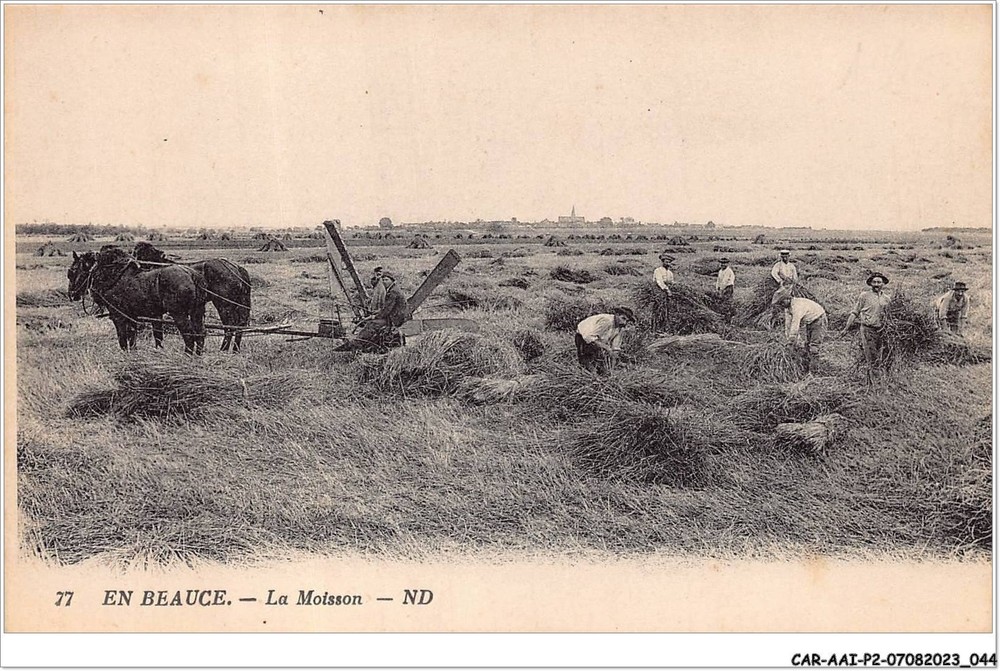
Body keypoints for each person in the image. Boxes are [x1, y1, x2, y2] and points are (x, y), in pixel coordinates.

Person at [839, 272, 891, 373]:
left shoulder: (887, 299)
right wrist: (846, 328)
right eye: (874, 282)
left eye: (879, 282)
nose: (876, 284)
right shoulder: (864, 296)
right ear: (870, 284)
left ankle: (879, 379)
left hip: (881, 331)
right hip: (868, 330)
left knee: (882, 355)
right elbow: (855, 312)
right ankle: (874, 383)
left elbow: (889, 316)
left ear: (883, 284)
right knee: (872, 357)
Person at [342, 272, 409, 350]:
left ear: (392, 280)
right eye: (383, 280)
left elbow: (387, 310)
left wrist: (374, 316)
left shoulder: (393, 292)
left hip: (395, 318)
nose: (384, 282)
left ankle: (358, 343)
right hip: (395, 316)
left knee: (372, 323)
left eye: (386, 280)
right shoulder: (394, 288)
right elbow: (387, 308)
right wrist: (376, 312)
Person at [772, 289, 827, 371]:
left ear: (788, 298)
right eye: (780, 304)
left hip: (819, 319)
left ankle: (815, 370)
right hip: (810, 321)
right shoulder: (787, 309)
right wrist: (788, 340)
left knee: (814, 347)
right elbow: (788, 325)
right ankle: (807, 366)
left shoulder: (797, 306)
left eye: (782, 302)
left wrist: (792, 340)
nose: (781, 305)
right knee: (807, 345)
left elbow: (795, 324)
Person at [575, 306, 636, 375]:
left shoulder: (620, 327)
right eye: (623, 318)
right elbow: (588, 337)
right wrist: (606, 348)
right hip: (583, 338)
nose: (624, 322)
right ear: (617, 315)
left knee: (603, 369)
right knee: (588, 367)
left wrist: (612, 366)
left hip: (597, 342)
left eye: (626, 321)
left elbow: (615, 347)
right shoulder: (607, 321)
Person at [715, 257, 735, 323]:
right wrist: (717, 288)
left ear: (727, 264)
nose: (723, 265)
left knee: (727, 303)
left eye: (724, 263)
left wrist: (721, 290)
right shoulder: (720, 271)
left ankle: (728, 319)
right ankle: (724, 316)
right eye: (721, 263)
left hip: (728, 287)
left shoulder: (728, 271)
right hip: (722, 288)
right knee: (722, 302)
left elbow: (725, 281)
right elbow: (718, 280)